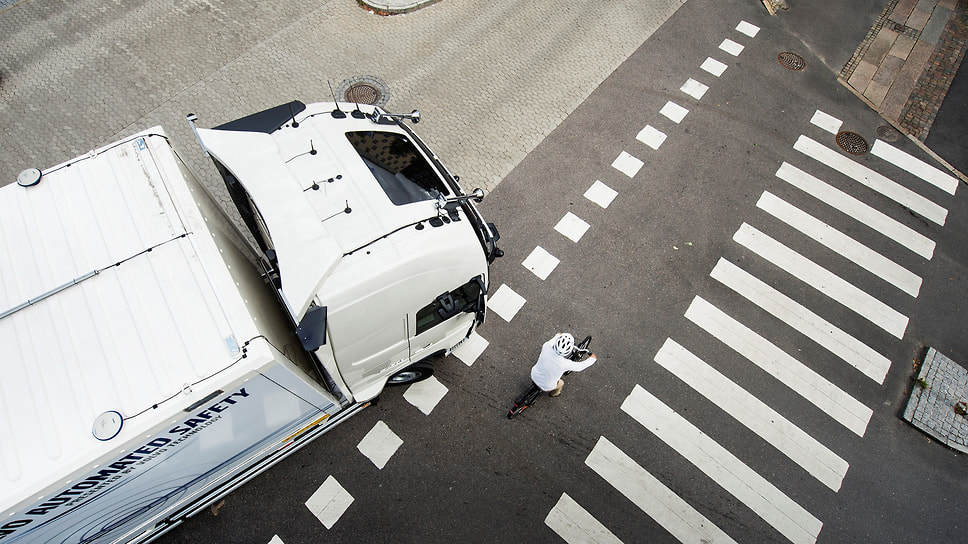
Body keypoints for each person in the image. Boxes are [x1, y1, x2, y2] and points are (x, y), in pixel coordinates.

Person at [530, 333, 597, 397]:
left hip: (534, 375)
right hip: (547, 386)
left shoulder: (546, 347)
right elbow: (580, 366)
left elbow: (553, 339)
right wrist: (592, 359)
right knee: (561, 383)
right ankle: (555, 394)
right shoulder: (565, 364)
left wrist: (558, 335)